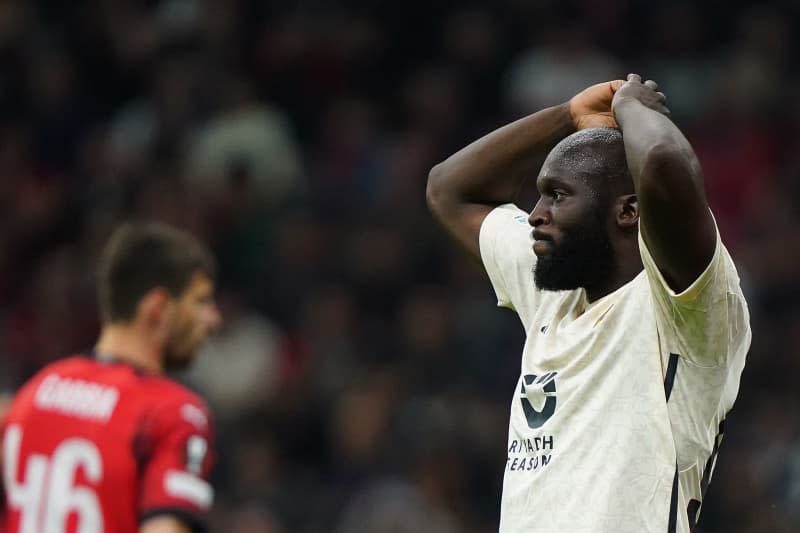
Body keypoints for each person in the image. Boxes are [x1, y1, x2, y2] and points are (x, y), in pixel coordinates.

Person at [426, 74, 751, 532]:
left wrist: (634, 105)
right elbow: (449, 188)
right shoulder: (554, 292)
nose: (536, 214)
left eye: (557, 195)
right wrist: (567, 116)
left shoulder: (685, 306)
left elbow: (659, 159)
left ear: (627, 211)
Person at [1, 223, 222, 533]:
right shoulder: (173, 412)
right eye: (200, 301)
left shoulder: (35, 393)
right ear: (157, 307)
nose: (213, 319)